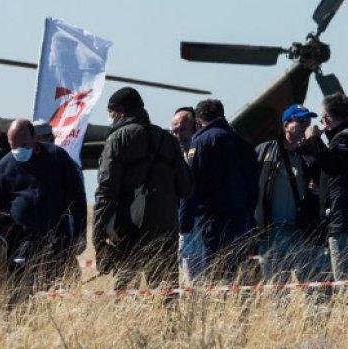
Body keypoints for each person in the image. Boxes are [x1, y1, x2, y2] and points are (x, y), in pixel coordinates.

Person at [93, 87, 193, 286]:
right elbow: (187, 187)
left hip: (129, 228)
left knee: (126, 294)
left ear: (120, 112)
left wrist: (98, 235)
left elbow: (106, 191)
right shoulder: (169, 140)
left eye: (111, 114)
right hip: (166, 228)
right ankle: (169, 318)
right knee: (165, 292)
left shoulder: (117, 140)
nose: (111, 119)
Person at [0, 118, 87, 287]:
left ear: (35, 139)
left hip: (57, 240)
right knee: (22, 291)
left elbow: (77, 198)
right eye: (14, 146)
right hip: (20, 244)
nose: (19, 150)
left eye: (24, 144)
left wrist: (79, 232)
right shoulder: (2, 168)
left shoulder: (57, 158)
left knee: (60, 287)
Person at [188, 99, 258, 276]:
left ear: (198, 120)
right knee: (233, 268)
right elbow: (252, 185)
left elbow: (193, 183)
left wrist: (186, 219)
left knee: (213, 269)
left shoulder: (201, 142)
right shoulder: (242, 143)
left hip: (212, 218)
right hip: (239, 216)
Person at [302, 93, 348, 279]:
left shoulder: (345, 139)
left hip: (343, 223)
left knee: (344, 280)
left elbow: (332, 165)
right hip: (346, 220)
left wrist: (315, 139)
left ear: (328, 118)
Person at [255, 105, 324, 280]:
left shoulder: (314, 154)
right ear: (286, 125)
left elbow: (330, 183)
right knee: (277, 290)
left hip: (302, 232)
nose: (305, 126)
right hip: (271, 233)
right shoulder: (265, 151)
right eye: (300, 121)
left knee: (310, 286)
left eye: (308, 122)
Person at [170, 106, 204, 280]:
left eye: (182, 130)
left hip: (201, 224)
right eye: (174, 131)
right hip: (182, 228)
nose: (178, 135)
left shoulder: (202, 155)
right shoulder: (171, 160)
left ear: (196, 127)